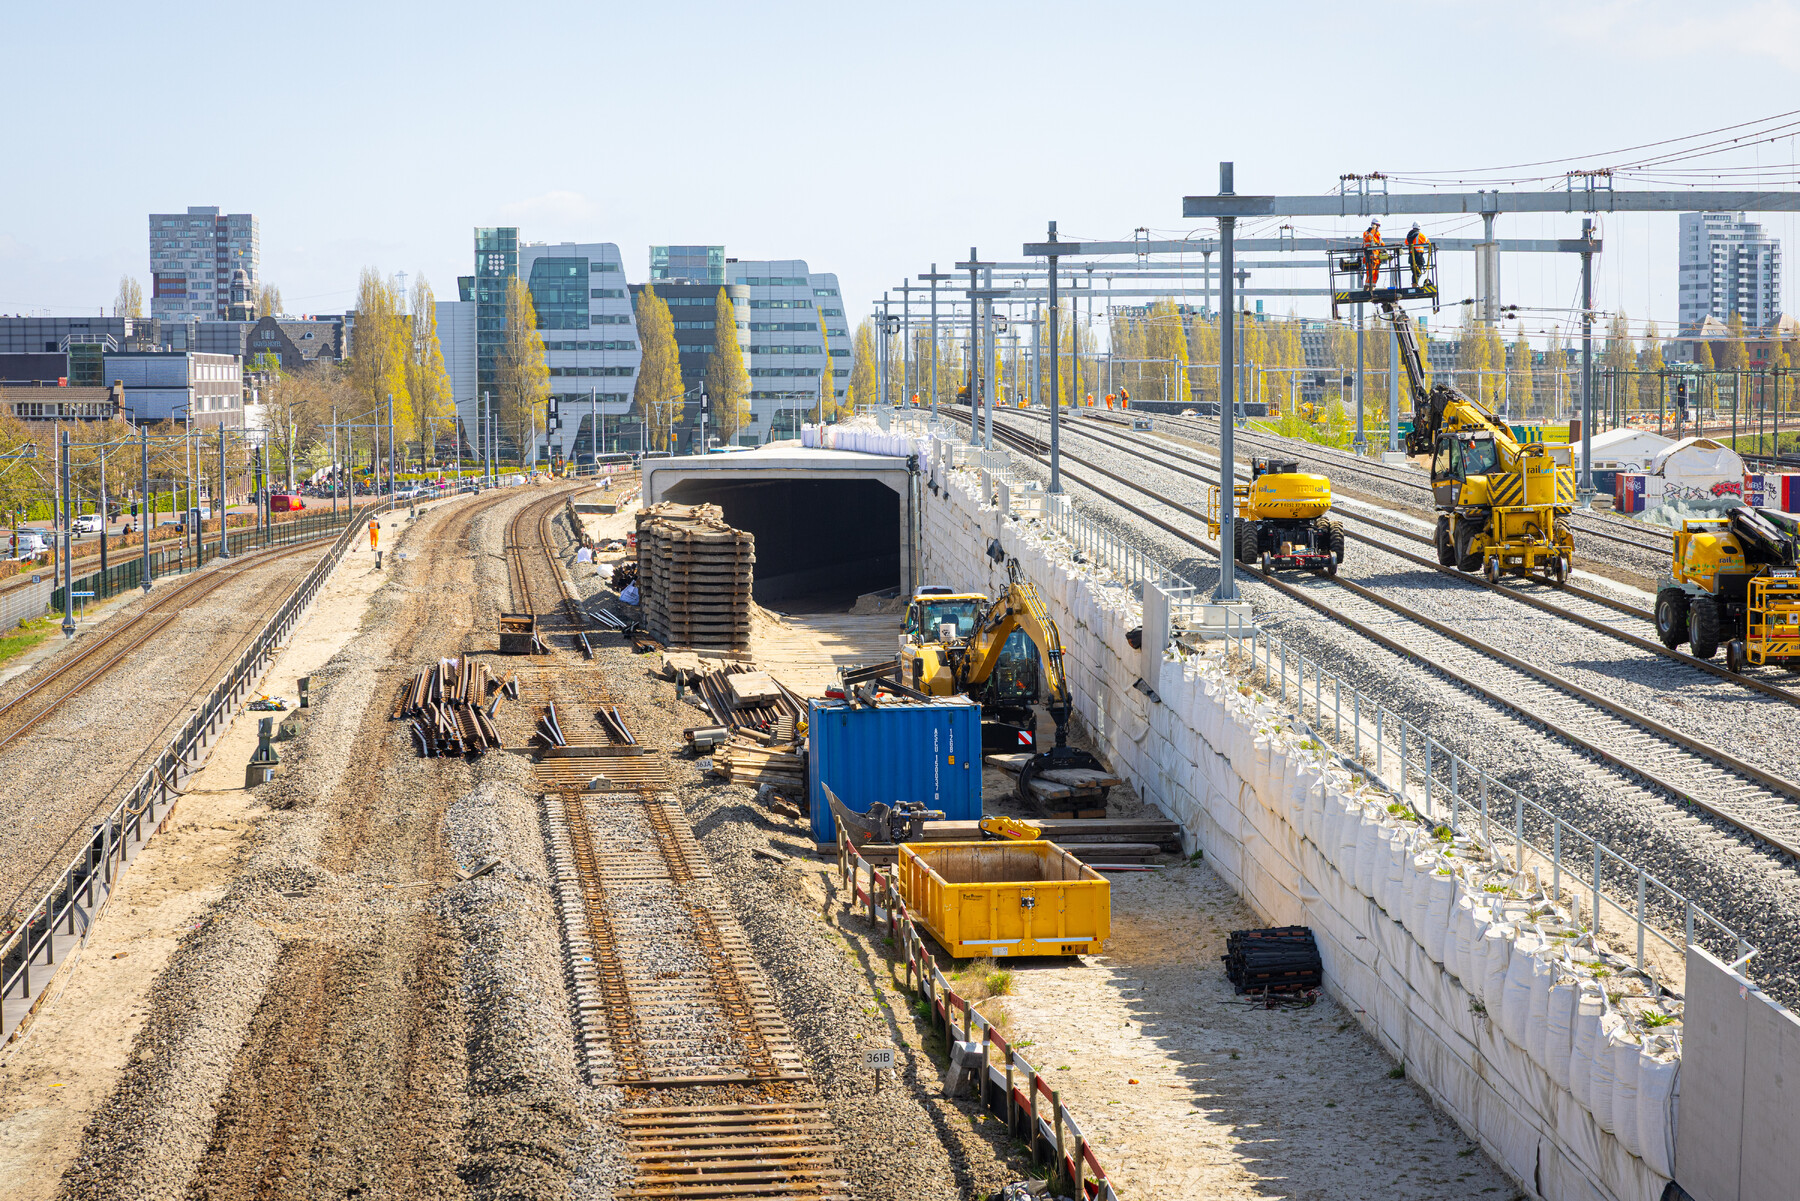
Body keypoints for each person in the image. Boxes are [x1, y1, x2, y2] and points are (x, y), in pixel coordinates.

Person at [1406, 223, 1432, 288]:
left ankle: (1414, 285)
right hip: (1419, 256)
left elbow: (1406, 243)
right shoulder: (1420, 235)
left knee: (1414, 272)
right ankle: (1414, 286)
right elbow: (1427, 242)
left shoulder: (1409, 235)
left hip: (1411, 256)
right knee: (1418, 272)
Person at [1362, 219, 1384, 289]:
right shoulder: (1367, 233)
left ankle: (1372, 288)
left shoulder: (1378, 234)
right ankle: (1367, 289)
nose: (1378, 227)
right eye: (1377, 226)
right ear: (1373, 225)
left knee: (1375, 275)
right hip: (1369, 258)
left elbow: (1381, 244)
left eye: (1379, 226)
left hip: (1377, 259)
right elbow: (1368, 238)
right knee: (1370, 274)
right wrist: (1373, 230)